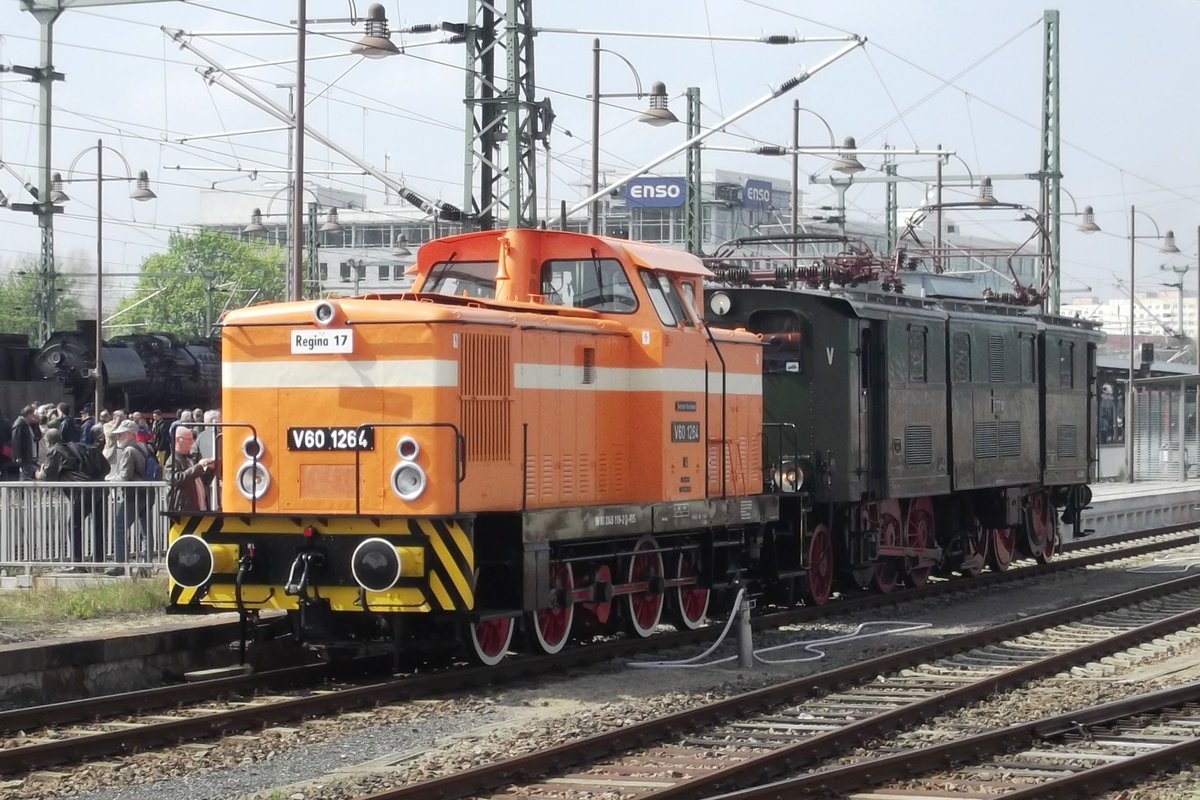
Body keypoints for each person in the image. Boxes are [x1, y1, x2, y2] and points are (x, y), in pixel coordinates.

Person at [36, 427, 91, 570]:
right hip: (90, 487)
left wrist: (39, 474)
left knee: (73, 524)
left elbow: (49, 476)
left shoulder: (54, 451)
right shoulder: (68, 447)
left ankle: (77, 563)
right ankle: (97, 560)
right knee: (96, 524)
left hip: (80, 490)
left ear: (48, 441)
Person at [109, 419, 150, 573]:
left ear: (129, 434)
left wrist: (110, 480)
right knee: (145, 529)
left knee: (119, 527)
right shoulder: (143, 447)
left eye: (121, 434)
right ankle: (146, 566)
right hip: (146, 492)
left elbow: (125, 476)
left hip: (133, 494)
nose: (118, 437)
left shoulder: (128, 451)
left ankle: (120, 565)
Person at [168, 426, 216, 512]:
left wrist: (210, 470)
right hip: (184, 510)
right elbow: (176, 480)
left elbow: (203, 482)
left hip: (200, 508)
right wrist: (199, 466)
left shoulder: (190, 459)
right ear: (178, 440)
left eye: (192, 440)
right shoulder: (172, 460)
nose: (191, 443)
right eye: (188, 440)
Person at [11, 405, 38, 481]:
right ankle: (23, 488)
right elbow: (16, 440)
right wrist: (18, 456)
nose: (33, 417)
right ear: (28, 415)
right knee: (26, 475)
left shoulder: (27, 424)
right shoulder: (20, 424)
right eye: (32, 415)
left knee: (27, 474)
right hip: (24, 456)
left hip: (27, 455)